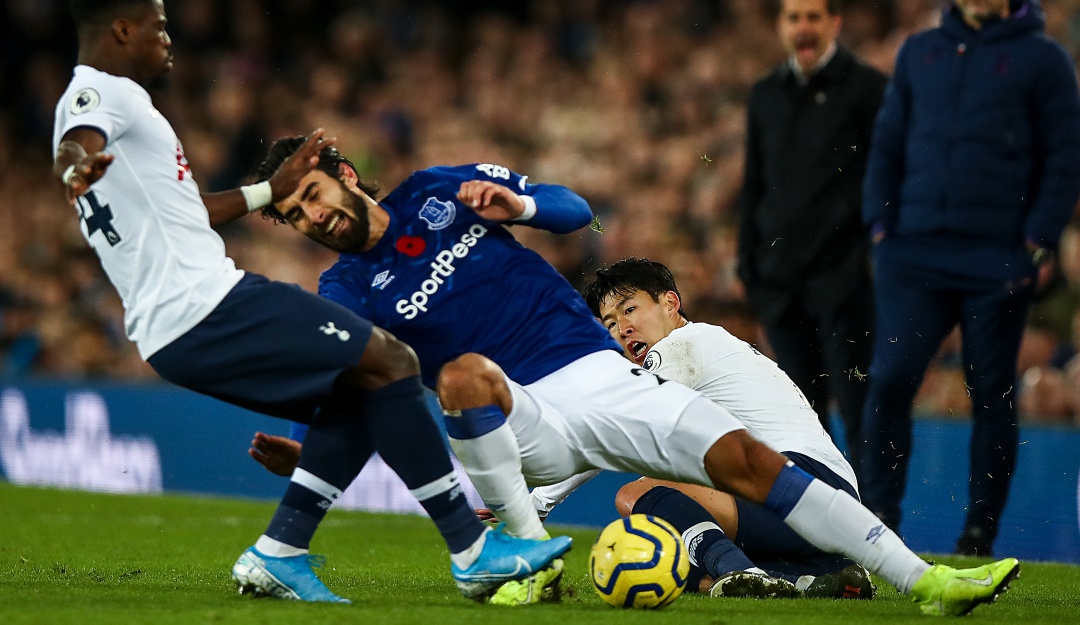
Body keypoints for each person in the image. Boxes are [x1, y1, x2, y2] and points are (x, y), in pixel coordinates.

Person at [246, 134, 1020, 616]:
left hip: (604, 378)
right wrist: (315, 454)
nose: (313, 217)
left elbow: (573, 209)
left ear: (345, 173)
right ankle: (522, 558)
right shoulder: (345, 290)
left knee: (751, 461)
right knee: (465, 375)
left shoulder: (436, 189)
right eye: (295, 217)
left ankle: (926, 582)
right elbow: (365, 389)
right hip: (520, 415)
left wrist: (519, 203)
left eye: (312, 195)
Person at [52, 0, 570, 605]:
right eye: (159, 26)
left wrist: (267, 191)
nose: (168, 39)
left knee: (363, 387)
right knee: (393, 361)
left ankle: (279, 553)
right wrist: (75, 168)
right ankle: (472, 550)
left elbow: (186, 212)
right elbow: (76, 144)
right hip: (205, 303)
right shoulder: (104, 93)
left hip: (171, 328)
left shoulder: (109, 104)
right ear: (122, 29)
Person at [860, 0, 1080, 556]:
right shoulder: (920, 51)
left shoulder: (1044, 59)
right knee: (889, 380)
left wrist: (1036, 241)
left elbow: (1064, 156)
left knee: (992, 394)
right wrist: (881, 227)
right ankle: (877, 523)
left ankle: (979, 535)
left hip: (995, 259)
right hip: (914, 254)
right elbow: (887, 141)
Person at [563, 257, 874, 599]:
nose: (622, 328)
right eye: (610, 323)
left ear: (670, 303)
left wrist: (538, 502)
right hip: (833, 503)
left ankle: (739, 571)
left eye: (630, 309)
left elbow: (611, 434)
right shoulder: (712, 349)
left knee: (636, 496)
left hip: (800, 480)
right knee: (662, 545)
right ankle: (812, 575)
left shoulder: (682, 345)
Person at [736, 0, 886, 471]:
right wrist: (750, 266)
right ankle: (815, 512)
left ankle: (873, 510)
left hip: (844, 280)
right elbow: (754, 183)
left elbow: (885, 181)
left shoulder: (868, 89)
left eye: (813, 16)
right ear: (780, 26)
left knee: (859, 408)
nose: (803, 27)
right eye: (793, 17)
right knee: (800, 417)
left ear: (835, 22)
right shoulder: (765, 94)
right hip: (781, 285)